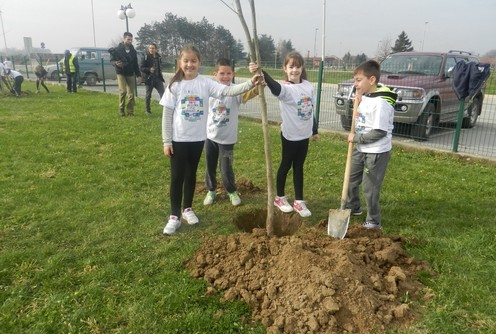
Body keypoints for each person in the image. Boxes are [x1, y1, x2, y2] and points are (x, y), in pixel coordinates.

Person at [160, 45, 261, 235]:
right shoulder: (175, 85)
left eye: (193, 61)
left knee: (190, 176)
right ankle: (174, 216)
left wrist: (251, 83)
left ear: (199, 63)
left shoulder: (205, 84)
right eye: (186, 61)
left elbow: (229, 92)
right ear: (180, 63)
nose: (190, 64)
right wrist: (167, 141)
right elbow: (167, 115)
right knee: (177, 177)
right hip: (178, 140)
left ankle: (187, 209)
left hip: (198, 140)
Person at [249, 52, 318, 218]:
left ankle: (299, 201)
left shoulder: (308, 86)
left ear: (302, 68)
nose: (295, 70)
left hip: (304, 135)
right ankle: (279, 198)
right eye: (291, 66)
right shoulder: (285, 89)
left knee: (299, 167)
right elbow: (274, 86)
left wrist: (314, 131)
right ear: (285, 69)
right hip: (290, 136)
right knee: (286, 164)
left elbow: (311, 110)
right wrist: (261, 71)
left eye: (297, 66)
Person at [346, 59, 397, 229]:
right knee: (351, 180)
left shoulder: (381, 104)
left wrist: (356, 138)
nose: (355, 84)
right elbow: (360, 119)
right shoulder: (367, 97)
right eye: (355, 80)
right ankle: (354, 207)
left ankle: (373, 220)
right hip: (361, 149)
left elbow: (379, 132)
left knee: (370, 189)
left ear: (372, 80)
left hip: (376, 152)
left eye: (359, 80)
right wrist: (358, 102)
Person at [203, 58, 258, 207]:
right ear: (215, 74)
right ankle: (211, 190)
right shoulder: (210, 91)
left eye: (228, 73)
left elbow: (249, 94)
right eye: (222, 73)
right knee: (210, 166)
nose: (225, 76)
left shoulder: (236, 90)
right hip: (210, 137)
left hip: (227, 140)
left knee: (226, 168)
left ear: (233, 74)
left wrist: (259, 86)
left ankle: (231, 191)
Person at [110, 32, 142, 116]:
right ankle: (121, 109)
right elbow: (112, 60)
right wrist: (116, 63)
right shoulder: (117, 50)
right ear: (123, 39)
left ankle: (130, 111)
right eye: (128, 39)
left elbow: (135, 64)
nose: (130, 41)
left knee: (131, 94)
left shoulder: (133, 51)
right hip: (121, 73)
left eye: (131, 39)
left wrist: (138, 75)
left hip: (130, 73)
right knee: (123, 91)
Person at [140, 42, 165, 115]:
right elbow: (141, 68)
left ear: (156, 49)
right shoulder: (145, 57)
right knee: (148, 95)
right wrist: (149, 69)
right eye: (150, 48)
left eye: (153, 48)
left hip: (158, 79)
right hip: (149, 79)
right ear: (148, 49)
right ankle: (148, 110)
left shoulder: (158, 57)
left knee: (163, 94)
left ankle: (164, 110)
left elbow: (160, 66)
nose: (151, 49)